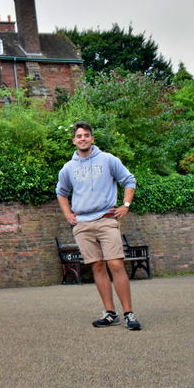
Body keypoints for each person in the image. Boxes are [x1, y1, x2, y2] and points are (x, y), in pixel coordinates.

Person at [56, 121, 142, 331]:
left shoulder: (108, 160)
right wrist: (68, 215)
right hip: (83, 225)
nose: (83, 138)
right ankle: (110, 313)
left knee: (115, 264)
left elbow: (129, 180)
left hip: (106, 220)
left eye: (86, 135)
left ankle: (129, 314)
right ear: (74, 140)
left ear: (92, 138)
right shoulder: (68, 168)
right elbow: (61, 192)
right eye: (79, 136)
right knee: (97, 266)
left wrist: (126, 205)